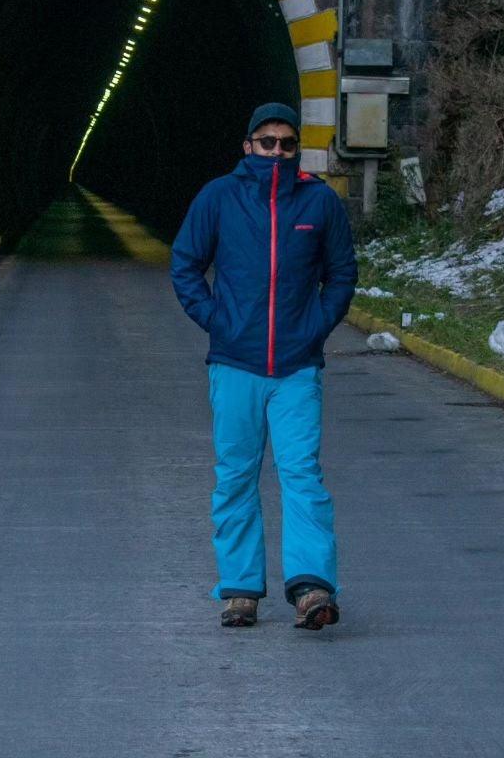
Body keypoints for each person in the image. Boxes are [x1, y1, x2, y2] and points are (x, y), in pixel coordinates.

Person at [171, 102, 358, 631]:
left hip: (297, 368)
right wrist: (216, 321)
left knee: (302, 475)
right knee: (235, 477)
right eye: (267, 142)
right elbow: (185, 264)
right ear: (247, 145)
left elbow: (342, 273)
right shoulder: (219, 198)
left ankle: (311, 588)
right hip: (235, 364)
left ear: (297, 149)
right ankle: (239, 590)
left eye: (287, 143)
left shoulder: (319, 203)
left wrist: (315, 325)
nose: (277, 151)